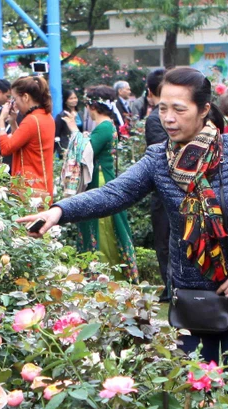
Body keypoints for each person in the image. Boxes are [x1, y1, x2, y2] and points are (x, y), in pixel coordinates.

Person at [18, 68, 228, 377]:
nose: (168, 118)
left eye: (179, 110)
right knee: (194, 385)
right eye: (163, 108)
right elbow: (116, 193)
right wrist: (59, 211)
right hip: (192, 293)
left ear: (204, 110)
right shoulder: (159, 158)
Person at [62, 86, 138, 281]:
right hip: (105, 176)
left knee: (101, 225)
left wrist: (74, 130)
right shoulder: (109, 125)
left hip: (100, 180)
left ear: (92, 106)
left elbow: (86, 150)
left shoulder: (103, 127)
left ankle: (103, 273)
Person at [0, 75, 56, 202]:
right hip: (43, 186)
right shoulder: (46, 117)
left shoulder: (31, 121)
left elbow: (6, 148)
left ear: (25, 97)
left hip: (29, 189)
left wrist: (1, 121)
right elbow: (23, 142)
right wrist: (13, 122)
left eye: (15, 98)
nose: (14, 103)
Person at [144, 68, 172, 300]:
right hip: (164, 191)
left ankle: (172, 286)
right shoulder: (156, 119)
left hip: (167, 193)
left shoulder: (155, 118)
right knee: (164, 241)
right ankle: (170, 285)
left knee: (166, 240)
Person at [55, 89, 83, 156]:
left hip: (79, 146)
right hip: (67, 148)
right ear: (66, 101)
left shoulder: (81, 113)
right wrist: (61, 150)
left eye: (75, 98)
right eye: (71, 98)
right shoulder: (61, 116)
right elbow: (57, 134)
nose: (74, 100)